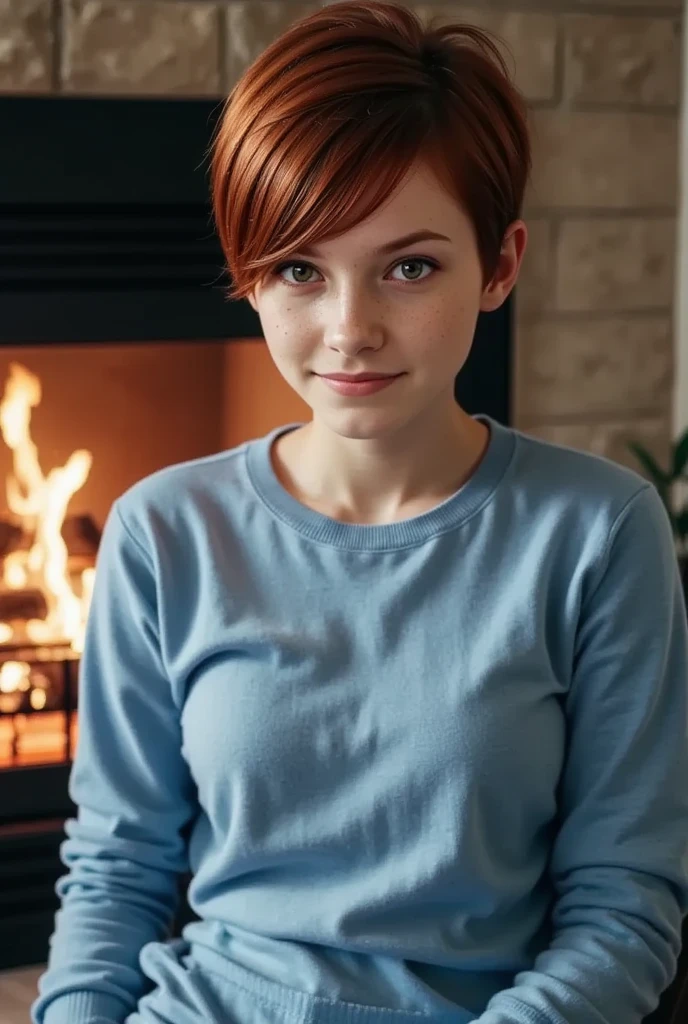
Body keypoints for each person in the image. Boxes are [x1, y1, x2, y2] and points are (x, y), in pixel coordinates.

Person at [32, 2, 688, 1023]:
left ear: (499, 265)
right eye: (300, 268)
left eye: (410, 266)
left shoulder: (597, 534)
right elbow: (115, 873)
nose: (349, 330)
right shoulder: (164, 531)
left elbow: (623, 907)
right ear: (250, 276)